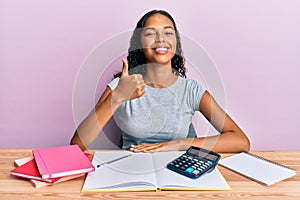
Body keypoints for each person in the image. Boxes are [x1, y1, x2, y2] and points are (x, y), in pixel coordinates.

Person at [70, 10, 250, 153]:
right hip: (131, 170)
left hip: (180, 170)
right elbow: (78, 145)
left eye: (168, 32)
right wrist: (116, 98)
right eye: (150, 33)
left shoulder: (191, 90)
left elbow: (240, 140)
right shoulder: (122, 86)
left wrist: (180, 144)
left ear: (176, 43)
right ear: (139, 44)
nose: (161, 39)